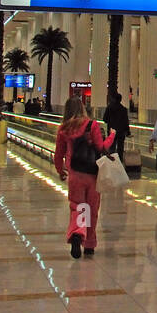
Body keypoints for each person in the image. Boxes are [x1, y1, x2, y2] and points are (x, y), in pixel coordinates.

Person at [53, 97, 117, 258]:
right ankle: (89, 243)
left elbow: (58, 153)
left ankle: (77, 233)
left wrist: (60, 171)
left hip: (75, 173)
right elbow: (101, 147)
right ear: (82, 108)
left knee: (78, 206)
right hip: (93, 174)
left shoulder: (64, 128)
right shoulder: (91, 125)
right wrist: (112, 136)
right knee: (92, 208)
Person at [103, 90, 131, 163]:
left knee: (111, 146)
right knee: (120, 147)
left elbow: (105, 119)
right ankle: (119, 161)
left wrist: (110, 122)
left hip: (112, 131)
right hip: (121, 132)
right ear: (120, 100)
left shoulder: (109, 108)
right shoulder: (123, 109)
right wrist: (128, 131)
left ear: (114, 99)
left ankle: (112, 161)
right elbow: (126, 121)